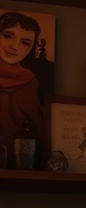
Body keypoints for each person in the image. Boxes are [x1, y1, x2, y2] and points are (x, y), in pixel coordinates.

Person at [0, 11, 45, 158]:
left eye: (25, 43)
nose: (14, 46)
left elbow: (39, 130)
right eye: (7, 36)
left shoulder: (29, 83)